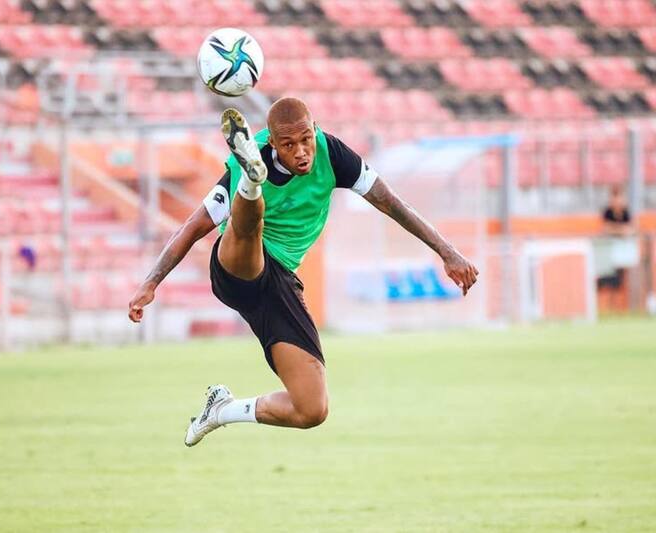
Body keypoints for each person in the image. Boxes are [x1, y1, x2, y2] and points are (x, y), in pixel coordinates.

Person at [127, 98, 478, 447]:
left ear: (315, 130)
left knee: (312, 408)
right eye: (288, 144)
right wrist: (151, 282)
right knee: (249, 225)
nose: (301, 152)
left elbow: (391, 203)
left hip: (279, 284)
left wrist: (447, 252)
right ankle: (251, 184)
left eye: (305, 139)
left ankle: (222, 410)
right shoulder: (256, 154)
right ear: (272, 145)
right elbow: (194, 225)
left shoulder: (334, 156)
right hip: (236, 265)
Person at [597, 185, 634, 311]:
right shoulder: (607, 212)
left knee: (623, 280)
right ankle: (606, 308)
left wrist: (615, 230)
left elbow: (630, 230)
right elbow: (606, 229)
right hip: (608, 254)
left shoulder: (626, 212)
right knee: (606, 280)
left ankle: (623, 308)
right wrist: (620, 230)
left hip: (624, 253)